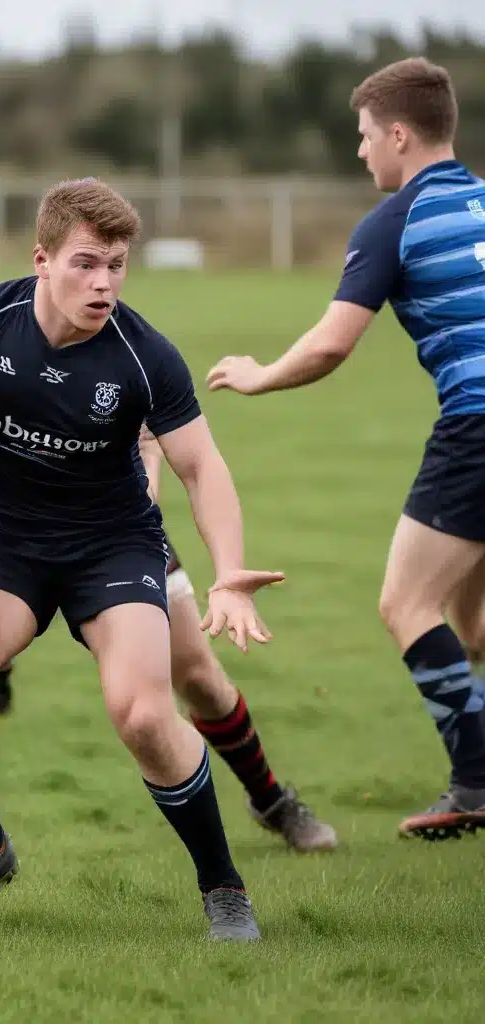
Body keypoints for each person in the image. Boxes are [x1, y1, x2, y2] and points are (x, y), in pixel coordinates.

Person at [0, 177, 285, 942]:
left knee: (143, 714)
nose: (104, 282)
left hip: (111, 544)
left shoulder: (145, 358)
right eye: (85, 263)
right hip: (0, 536)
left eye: (116, 264)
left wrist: (230, 573)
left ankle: (223, 885)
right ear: (41, 259)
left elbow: (202, 469)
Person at [206, 57, 485, 841]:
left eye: (365, 137)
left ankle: (475, 782)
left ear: (399, 134)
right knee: (474, 629)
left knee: (406, 604)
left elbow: (331, 345)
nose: (361, 152)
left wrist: (260, 378)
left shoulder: (393, 221)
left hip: (476, 424)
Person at [0, 430, 337, 853]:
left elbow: (148, 485)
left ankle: (271, 801)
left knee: (198, 678)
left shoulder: (120, 369)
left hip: (114, 538)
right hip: (11, 539)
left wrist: (148, 459)